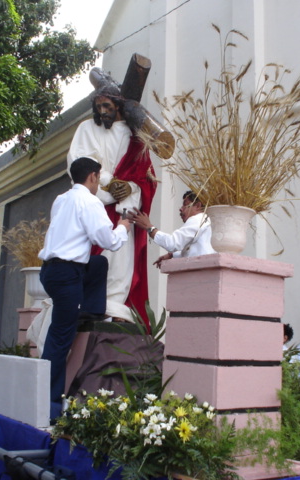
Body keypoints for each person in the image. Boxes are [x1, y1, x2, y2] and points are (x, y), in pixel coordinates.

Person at [38, 157, 132, 419]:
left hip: (51, 270)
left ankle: (89, 309)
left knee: (97, 263)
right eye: (99, 177)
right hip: (67, 274)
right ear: (92, 176)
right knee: (59, 340)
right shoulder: (90, 202)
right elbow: (108, 240)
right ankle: (49, 403)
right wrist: (123, 227)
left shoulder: (62, 199)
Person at [67, 83, 157, 324]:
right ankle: (94, 306)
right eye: (98, 107)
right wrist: (109, 182)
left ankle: (116, 309)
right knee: (99, 257)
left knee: (121, 262)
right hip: (97, 204)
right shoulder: (86, 128)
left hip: (123, 210)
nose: (102, 111)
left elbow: (146, 176)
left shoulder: (134, 136)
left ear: (118, 106)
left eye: (107, 106)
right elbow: (79, 162)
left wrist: (130, 188)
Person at [126, 190, 215, 267]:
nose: (180, 209)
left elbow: (173, 243)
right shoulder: (205, 221)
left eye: (185, 205)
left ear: (198, 206)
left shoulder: (198, 219)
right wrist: (172, 255)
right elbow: (194, 251)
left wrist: (149, 227)